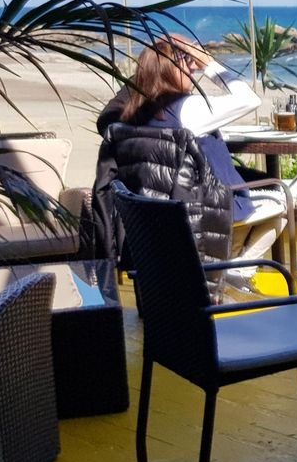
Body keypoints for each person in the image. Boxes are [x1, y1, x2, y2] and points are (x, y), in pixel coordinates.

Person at [118, 37, 286, 287]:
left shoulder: (135, 110)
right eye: (188, 61)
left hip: (161, 208)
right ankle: (238, 270)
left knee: (237, 197)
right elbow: (250, 99)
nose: (193, 67)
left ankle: (223, 272)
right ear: (169, 69)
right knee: (282, 200)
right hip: (203, 210)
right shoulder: (187, 108)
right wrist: (209, 63)